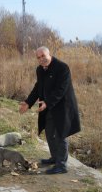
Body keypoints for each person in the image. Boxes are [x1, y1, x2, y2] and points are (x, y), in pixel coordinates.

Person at [19, 46, 80, 174]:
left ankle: (62, 165)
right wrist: (28, 102)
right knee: (49, 133)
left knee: (60, 135)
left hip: (63, 107)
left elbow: (61, 89)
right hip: (48, 107)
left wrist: (47, 102)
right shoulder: (40, 70)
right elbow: (38, 87)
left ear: (49, 54)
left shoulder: (62, 67)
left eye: (43, 56)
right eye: (38, 57)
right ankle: (55, 158)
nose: (41, 59)